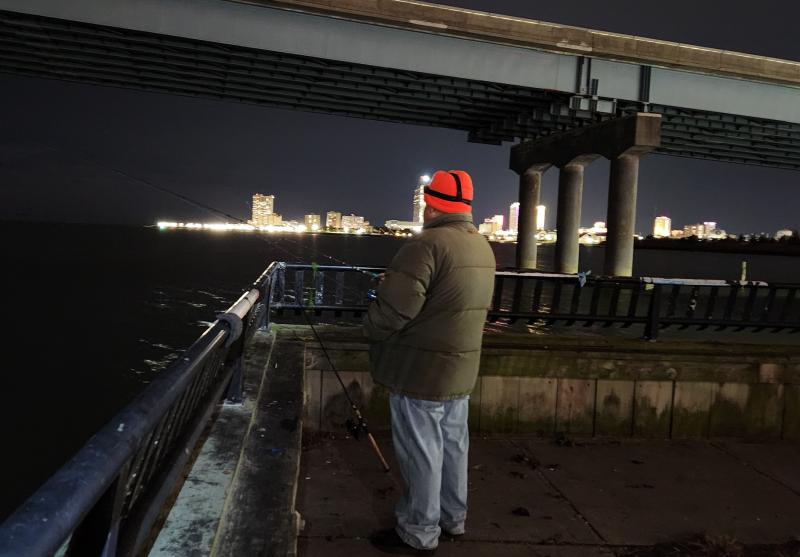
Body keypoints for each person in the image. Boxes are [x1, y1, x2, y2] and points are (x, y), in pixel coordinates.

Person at [364, 170, 496, 554]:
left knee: (422, 451)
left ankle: (419, 531)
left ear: (430, 203)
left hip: (420, 371)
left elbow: (394, 312)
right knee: (454, 446)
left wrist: (369, 323)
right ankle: (453, 519)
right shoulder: (481, 245)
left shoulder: (425, 245)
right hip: (460, 368)